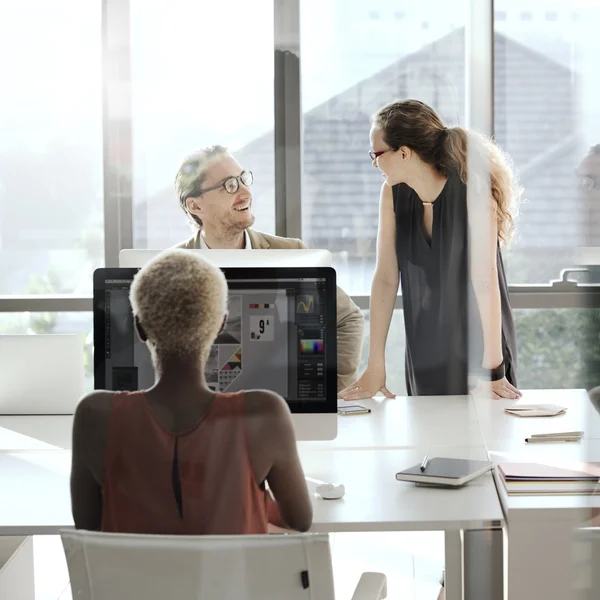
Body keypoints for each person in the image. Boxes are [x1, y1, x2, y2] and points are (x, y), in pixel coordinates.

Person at [70, 249, 313, 534]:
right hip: (233, 580)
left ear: (140, 328)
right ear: (221, 325)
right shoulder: (266, 413)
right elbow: (300, 520)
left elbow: (87, 527)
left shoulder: (93, 415)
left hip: (132, 579)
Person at [340, 99, 522, 401]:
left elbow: (485, 282)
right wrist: (375, 365)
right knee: (430, 445)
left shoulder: (473, 190)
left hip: (483, 351)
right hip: (425, 349)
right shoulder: (392, 193)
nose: (374, 162)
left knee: (485, 443)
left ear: (403, 153)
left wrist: (492, 370)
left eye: (377, 153)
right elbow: (385, 277)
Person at [174, 145, 364, 393]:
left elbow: (348, 320)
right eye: (229, 185)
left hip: (279, 410)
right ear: (195, 206)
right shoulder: (171, 269)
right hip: (200, 414)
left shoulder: (291, 253)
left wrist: (328, 391)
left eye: (243, 179)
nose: (245, 193)